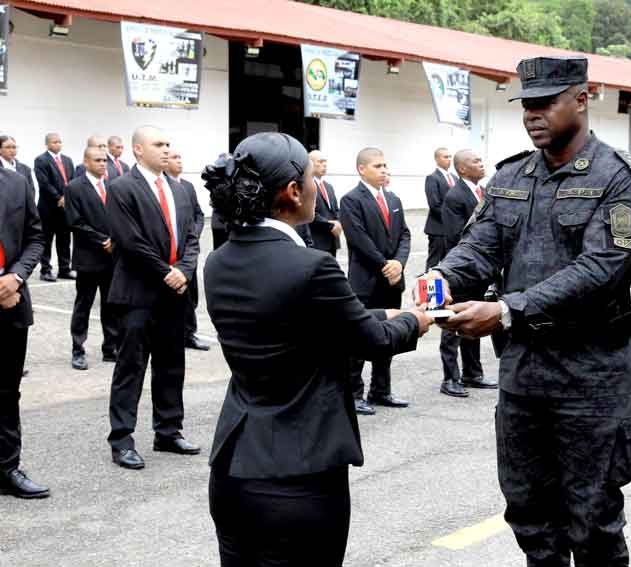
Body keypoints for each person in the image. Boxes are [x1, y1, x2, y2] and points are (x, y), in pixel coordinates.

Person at [424, 56, 631, 566]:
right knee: (529, 513)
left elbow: (601, 268)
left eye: (546, 103)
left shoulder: (620, 178)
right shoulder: (511, 176)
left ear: (581, 99)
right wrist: (443, 276)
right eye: (527, 104)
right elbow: (479, 247)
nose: (533, 114)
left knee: (592, 519)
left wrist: (507, 310)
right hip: (525, 373)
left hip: (593, 375)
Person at [202, 132, 431, 567]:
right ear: (293, 191)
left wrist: (384, 313)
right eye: (311, 177)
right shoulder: (311, 266)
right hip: (298, 476)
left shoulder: (219, 262)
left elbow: (310, 319)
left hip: (234, 469)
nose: (315, 186)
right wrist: (417, 320)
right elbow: (372, 340)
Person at [105, 125, 202, 470]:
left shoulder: (179, 189)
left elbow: (192, 236)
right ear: (138, 150)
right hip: (138, 292)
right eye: (158, 144)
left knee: (171, 364)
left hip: (175, 292)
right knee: (131, 366)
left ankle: (168, 431)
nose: (166, 149)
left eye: (168, 144)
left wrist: (185, 271)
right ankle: (122, 439)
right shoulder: (121, 188)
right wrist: (166, 272)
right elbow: (130, 241)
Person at [339, 147, 412, 416]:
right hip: (366, 281)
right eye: (378, 166)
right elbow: (359, 239)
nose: (384, 170)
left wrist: (399, 264)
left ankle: (381, 390)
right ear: (362, 169)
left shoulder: (393, 198)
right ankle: (353, 393)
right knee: (359, 338)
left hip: (392, 281)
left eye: (385, 165)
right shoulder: (351, 200)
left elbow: (404, 235)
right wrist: (385, 265)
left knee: (387, 336)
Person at [0, 167, 48, 499]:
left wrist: (15, 277)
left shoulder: (16, 183)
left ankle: (7, 469)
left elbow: (36, 238)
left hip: (11, 304)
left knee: (6, 393)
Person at [437, 149, 497, 397]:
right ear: (462, 168)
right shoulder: (455, 196)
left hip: (477, 271)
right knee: (452, 325)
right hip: (460, 271)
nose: (481, 164)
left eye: (481, 160)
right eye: (476, 161)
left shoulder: (481, 191)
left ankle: (473, 373)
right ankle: (450, 378)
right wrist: (462, 266)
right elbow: (455, 236)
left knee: (474, 319)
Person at [64, 147, 120, 370]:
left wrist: (115, 240)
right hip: (88, 257)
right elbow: (74, 221)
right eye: (97, 160)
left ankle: (110, 348)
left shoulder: (112, 185)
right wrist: (102, 240)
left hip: (111, 258)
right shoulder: (74, 187)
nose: (102, 164)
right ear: (86, 162)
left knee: (111, 304)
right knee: (83, 305)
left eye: (104, 160)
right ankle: (78, 349)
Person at [165, 149, 210, 352]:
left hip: (188, 250)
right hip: (171, 251)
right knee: (174, 293)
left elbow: (198, 214)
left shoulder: (187, 186)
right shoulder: (163, 187)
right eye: (175, 158)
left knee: (191, 294)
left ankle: (189, 333)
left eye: (180, 157)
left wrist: (195, 233)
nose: (179, 161)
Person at [33, 132, 75, 282]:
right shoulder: (41, 160)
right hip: (48, 208)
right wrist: (59, 197)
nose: (58, 144)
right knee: (46, 239)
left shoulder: (68, 160)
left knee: (64, 239)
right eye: (54, 142)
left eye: (59, 141)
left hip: (65, 208)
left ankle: (65, 269)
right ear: (47, 144)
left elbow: (72, 181)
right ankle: (45, 270)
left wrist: (67, 197)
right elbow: (44, 183)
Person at [423, 147, 456, 270]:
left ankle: (446, 282)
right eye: (445, 157)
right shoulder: (432, 178)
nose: (449, 159)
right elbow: (434, 204)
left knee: (450, 262)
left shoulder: (455, 177)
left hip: (452, 230)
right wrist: (453, 217)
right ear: (437, 159)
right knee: (434, 262)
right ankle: (430, 283)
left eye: (450, 156)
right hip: (438, 229)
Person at [307, 150, 342, 256]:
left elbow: (336, 210)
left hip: (332, 240)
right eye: (320, 161)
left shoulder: (328, 187)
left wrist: (338, 222)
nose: (324, 164)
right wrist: (330, 225)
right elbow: (309, 212)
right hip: (317, 241)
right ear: (310, 163)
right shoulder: (306, 185)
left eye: (325, 161)